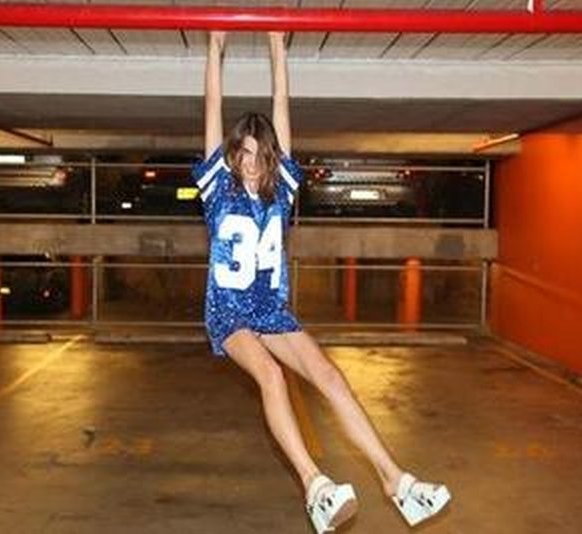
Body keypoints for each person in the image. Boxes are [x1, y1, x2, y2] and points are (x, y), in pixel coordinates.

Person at [191, 30, 451, 533]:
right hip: (228, 312)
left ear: (270, 157)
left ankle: (397, 482)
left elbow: (283, 104)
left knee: (330, 376)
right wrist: (214, 49)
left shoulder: (281, 191)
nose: (250, 162)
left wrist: (277, 47)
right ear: (232, 155)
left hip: (271, 310)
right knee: (271, 376)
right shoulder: (217, 189)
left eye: (259, 154)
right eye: (242, 153)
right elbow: (211, 106)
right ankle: (315, 487)